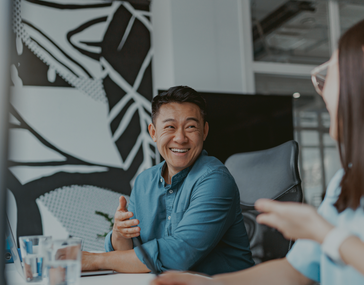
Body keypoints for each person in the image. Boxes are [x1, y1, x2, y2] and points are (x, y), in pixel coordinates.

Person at [151, 8, 364, 285]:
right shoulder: (346, 183)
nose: (322, 88)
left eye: (334, 71)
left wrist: (328, 236)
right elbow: (296, 272)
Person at [81, 86, 255, 274]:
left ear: (204, 131)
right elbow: (130, 256)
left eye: (190, 127)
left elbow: (180, 254)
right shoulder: (144, 182)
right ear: (154, 132)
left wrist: (94, 260)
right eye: (170, 127)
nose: (180, 138)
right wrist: (120, 234)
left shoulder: (215, 179)